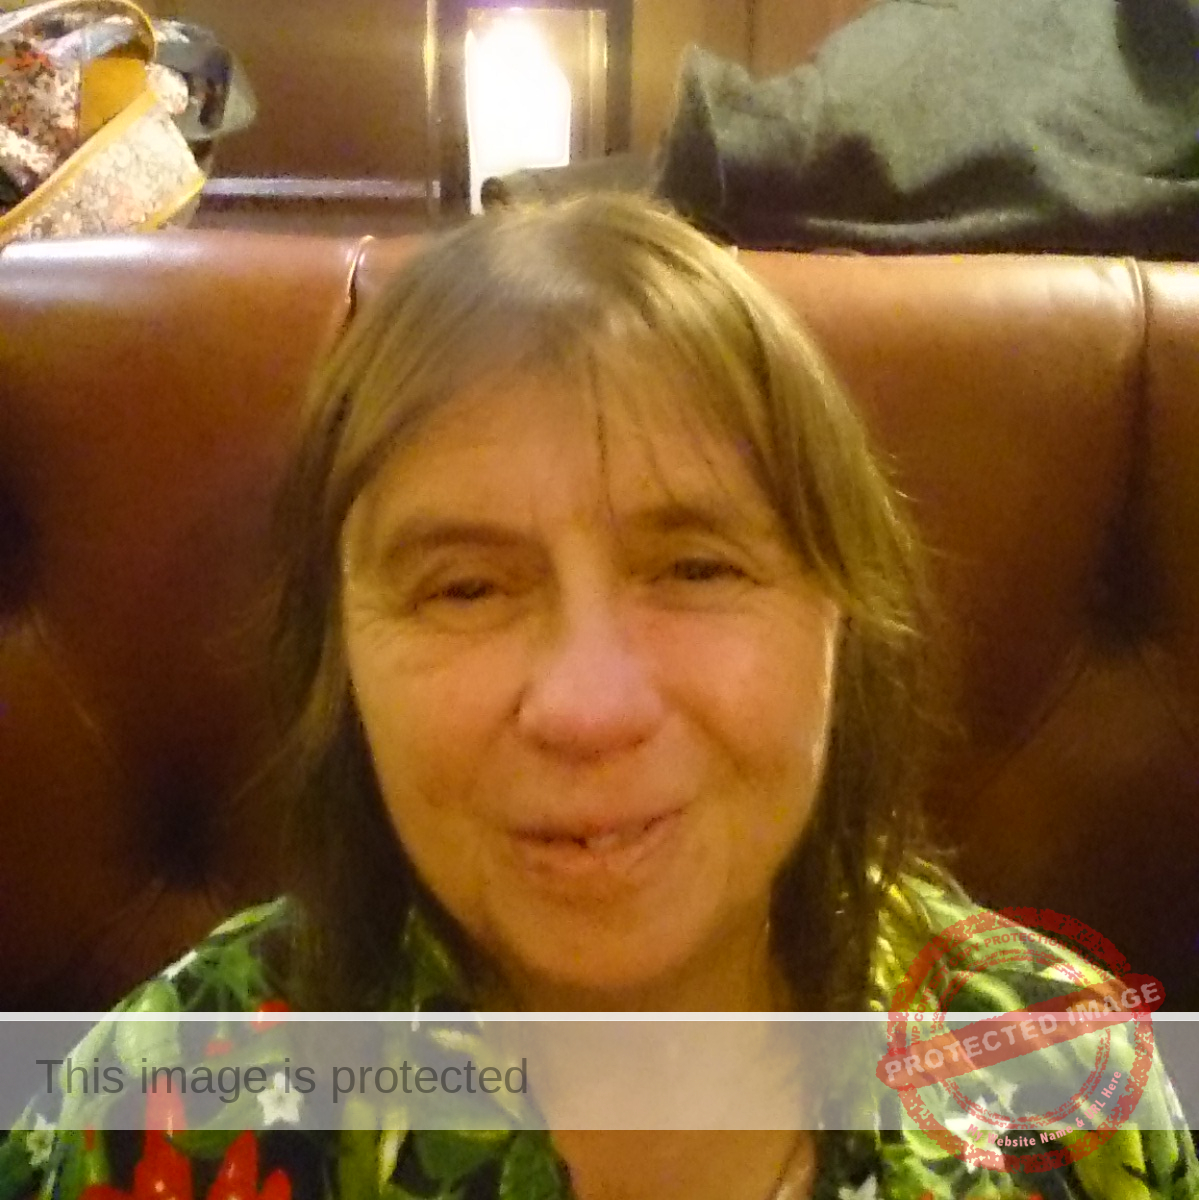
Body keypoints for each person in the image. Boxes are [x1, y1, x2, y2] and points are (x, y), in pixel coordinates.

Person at [1, 195, 1195, 1200]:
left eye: (696, 569)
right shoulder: (161, 1109)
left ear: (840, 611)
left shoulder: (1069, 1093)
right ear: (342, 660)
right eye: (465, 588)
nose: (587, 708)